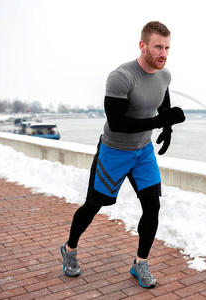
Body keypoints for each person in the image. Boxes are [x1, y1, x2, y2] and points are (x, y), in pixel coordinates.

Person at [60, 21, 185, 288]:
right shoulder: (121, 77)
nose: (163, 53)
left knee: (152, 207)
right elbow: (118, 122)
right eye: (158, 47)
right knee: (94, 206)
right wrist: (158, 122)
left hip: (143, 153)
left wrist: (168, 128)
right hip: (114, 151)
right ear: (143, 45)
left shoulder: (164, 75)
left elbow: (163, 104)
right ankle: (69, 250)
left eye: (167, 47)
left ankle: (140, 264)